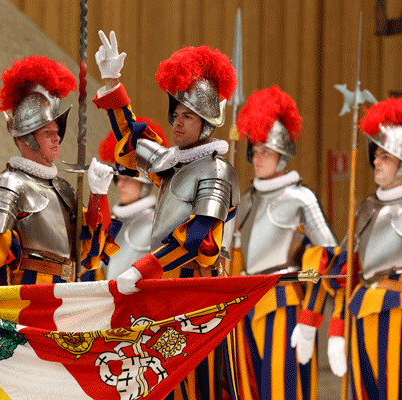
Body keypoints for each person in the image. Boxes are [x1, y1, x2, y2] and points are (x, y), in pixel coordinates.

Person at [93, 30, 239, 399]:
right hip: (163, 286)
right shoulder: (172, 162)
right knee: (160, 378)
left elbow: (197, 237)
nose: (176, 123)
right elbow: (131, 137)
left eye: (187, 117)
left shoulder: (215, 171)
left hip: (196, 290)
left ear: (206, 125)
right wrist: (113, 82)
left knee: (201, 382)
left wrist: (141, 268)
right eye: (175, 113)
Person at [0, 55, 118, 286]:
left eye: (57, 130)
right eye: (47, 132)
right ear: (27, 138)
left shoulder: (64, 189)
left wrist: (97, 195)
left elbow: (87, 254)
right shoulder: (8, 184)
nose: (57, 137)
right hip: (25, 292)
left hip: (63, 291)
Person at [231, 86, 338, 400]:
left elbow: (325, 262)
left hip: (283, 304)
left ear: (283, 156)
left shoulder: (301, 199)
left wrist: (309, 319)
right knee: (247, 390)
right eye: (255, 150)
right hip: (244, 306)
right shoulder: (246, 200)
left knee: (283, 391)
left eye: (267, 151)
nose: (258, 157)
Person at [295, 97, 402, 399]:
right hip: (360, 313)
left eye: (385, 156)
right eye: (375, 156)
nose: (376, 162)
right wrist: (336, 328)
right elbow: (344, 274)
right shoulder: (366, 207)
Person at [86, 117, 169, 281]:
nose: (121, 185)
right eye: (119, 179)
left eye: (129, 180)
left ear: (145, 185)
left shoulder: (157, 224)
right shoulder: (111, 223)